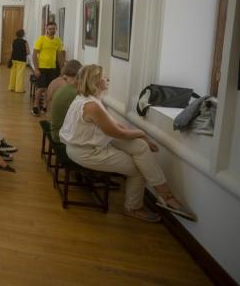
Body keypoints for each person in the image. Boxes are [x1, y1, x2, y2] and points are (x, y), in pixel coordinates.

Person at [60, 65, 196, 222]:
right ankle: (134, 207)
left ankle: (165, 195)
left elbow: (116, 125)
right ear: (95, 82)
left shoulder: (91, 99)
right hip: (85, 152)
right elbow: (118, 133)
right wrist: (142, 134)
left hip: (93, 142)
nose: (107, 79)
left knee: (140, 146)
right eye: (104, 77)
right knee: (139, 169)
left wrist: (142, 139)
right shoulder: (91, 106)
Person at [32, 21, 65, 116]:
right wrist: (36, 69)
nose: (52, 30)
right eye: (50, 29)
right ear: (46, 29)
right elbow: (34, 55)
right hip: (42, 68)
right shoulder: (41, 39)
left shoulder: (57, 41)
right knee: (41, 88)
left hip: (52, 68)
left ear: (56, 29)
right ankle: (35, 106)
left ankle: (45, 106)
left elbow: (60, 56)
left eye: (54, 29)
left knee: (49, 88)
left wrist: (62, 69)